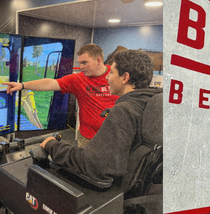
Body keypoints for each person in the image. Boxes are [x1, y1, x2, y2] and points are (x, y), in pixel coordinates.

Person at [39, 50, 163, 191]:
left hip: (111, 192)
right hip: (135, 188)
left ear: (125, 78)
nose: (107, 77)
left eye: (111, 73)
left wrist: (52, 145)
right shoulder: (150, 104)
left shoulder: (123, 111)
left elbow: (92, 166)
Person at [5, 44, 117, 148]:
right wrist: (22, 85)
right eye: (79, 63)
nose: (81, 67)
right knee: (85, 167)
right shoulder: (78, 79)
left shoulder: (117, 75)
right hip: (87, 137)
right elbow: (50, 83)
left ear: (98, 61)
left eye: (84, 63)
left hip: (116, 137)